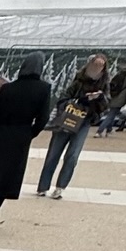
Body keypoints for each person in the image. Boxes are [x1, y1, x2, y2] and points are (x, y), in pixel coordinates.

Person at [0, 52, 53, 235]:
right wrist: (30, 133)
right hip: (21, 136)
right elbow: (43, 118)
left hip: (0, 133)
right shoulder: (44, 89)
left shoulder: (8, 88)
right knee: (7, 179)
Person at [37, 56, 110, 197]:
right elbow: (63, 98)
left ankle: (60, 186)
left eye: (100, 65)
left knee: (73, 155)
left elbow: (106, 106)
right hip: (68, 118)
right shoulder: (78, 80)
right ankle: (43, 186)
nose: (97, 68)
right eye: (95, 64)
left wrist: (99, 98)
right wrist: (82, 99)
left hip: (85, 121)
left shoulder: (104, 84)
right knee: (53, 154)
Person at [98, 57, 126, 136]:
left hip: (114, 94)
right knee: (111, 114)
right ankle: (100, 130)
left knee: (113, 113)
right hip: (122, 98)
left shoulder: (122, 71)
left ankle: (109, 130)